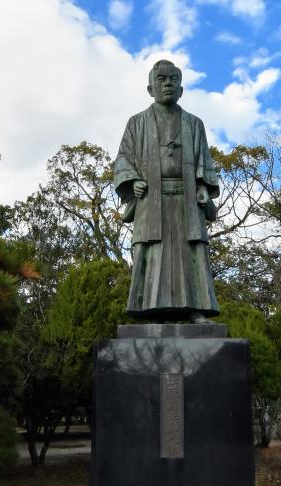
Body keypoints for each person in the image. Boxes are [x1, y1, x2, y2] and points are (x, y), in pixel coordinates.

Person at [114, 59, 220, 322]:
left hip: (187, 198)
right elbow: (123, 159)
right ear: (150, 88)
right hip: (151, 199)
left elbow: (204, 160)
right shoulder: (136, 123)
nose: (168, 84)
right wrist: (132, 181)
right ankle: (149, 310)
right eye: (161, 80)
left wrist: (203, 187)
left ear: (181, 89)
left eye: (173, 79)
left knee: (191, 253)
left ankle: (197, 310)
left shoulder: (194, 124)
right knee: (151, 253)